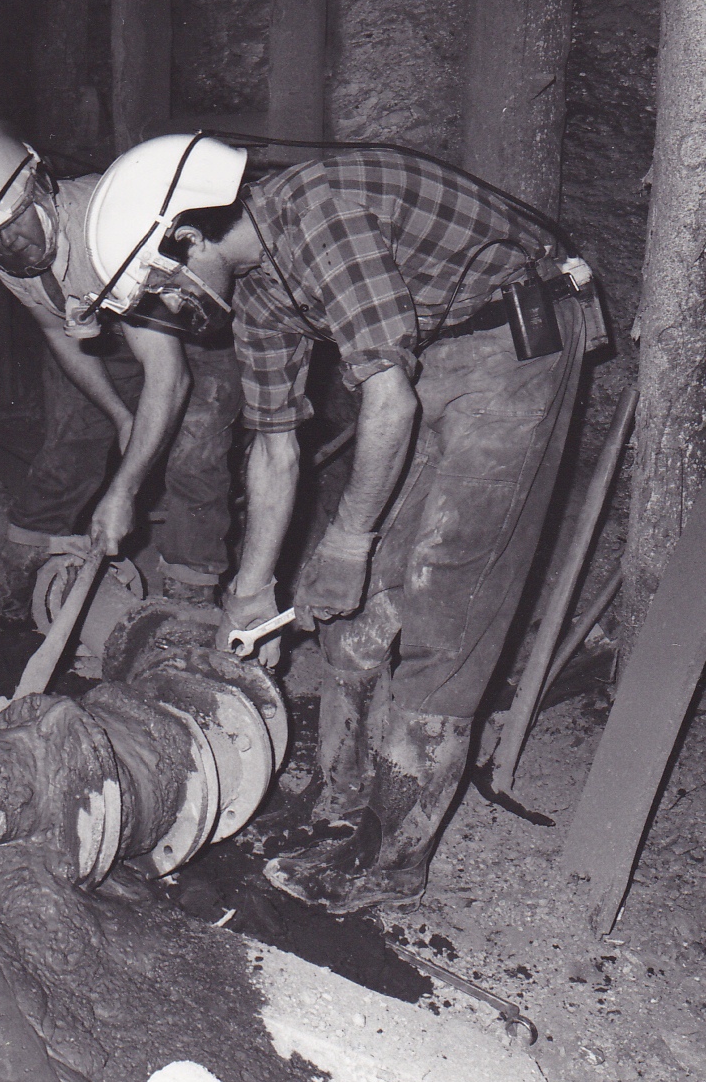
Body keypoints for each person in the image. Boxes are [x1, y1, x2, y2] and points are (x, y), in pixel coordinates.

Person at [84, 132, 589, 912]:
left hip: (519, 338)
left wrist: (348, 541)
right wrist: (250, 590)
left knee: (441, 598)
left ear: (187, 234)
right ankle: (338, 799)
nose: (165, 307)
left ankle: (391, 861)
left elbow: (388, 399)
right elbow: (274, 447)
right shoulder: (253, 291)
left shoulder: (315, 214)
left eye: (160, 281)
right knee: (362, 604)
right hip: (436, 351)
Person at [0, 120, 242, 609]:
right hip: (107, 327)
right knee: (73, 428)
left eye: (16, 221)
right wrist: (120, 415)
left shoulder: (106, 226)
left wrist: (124, 490)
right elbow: (53, 332)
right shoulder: (7, 255)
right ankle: (31, 558)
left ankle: (188, 595)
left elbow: (167, 376)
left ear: (40, 186)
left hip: (189, 332)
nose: (10, 244)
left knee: (195, 446)